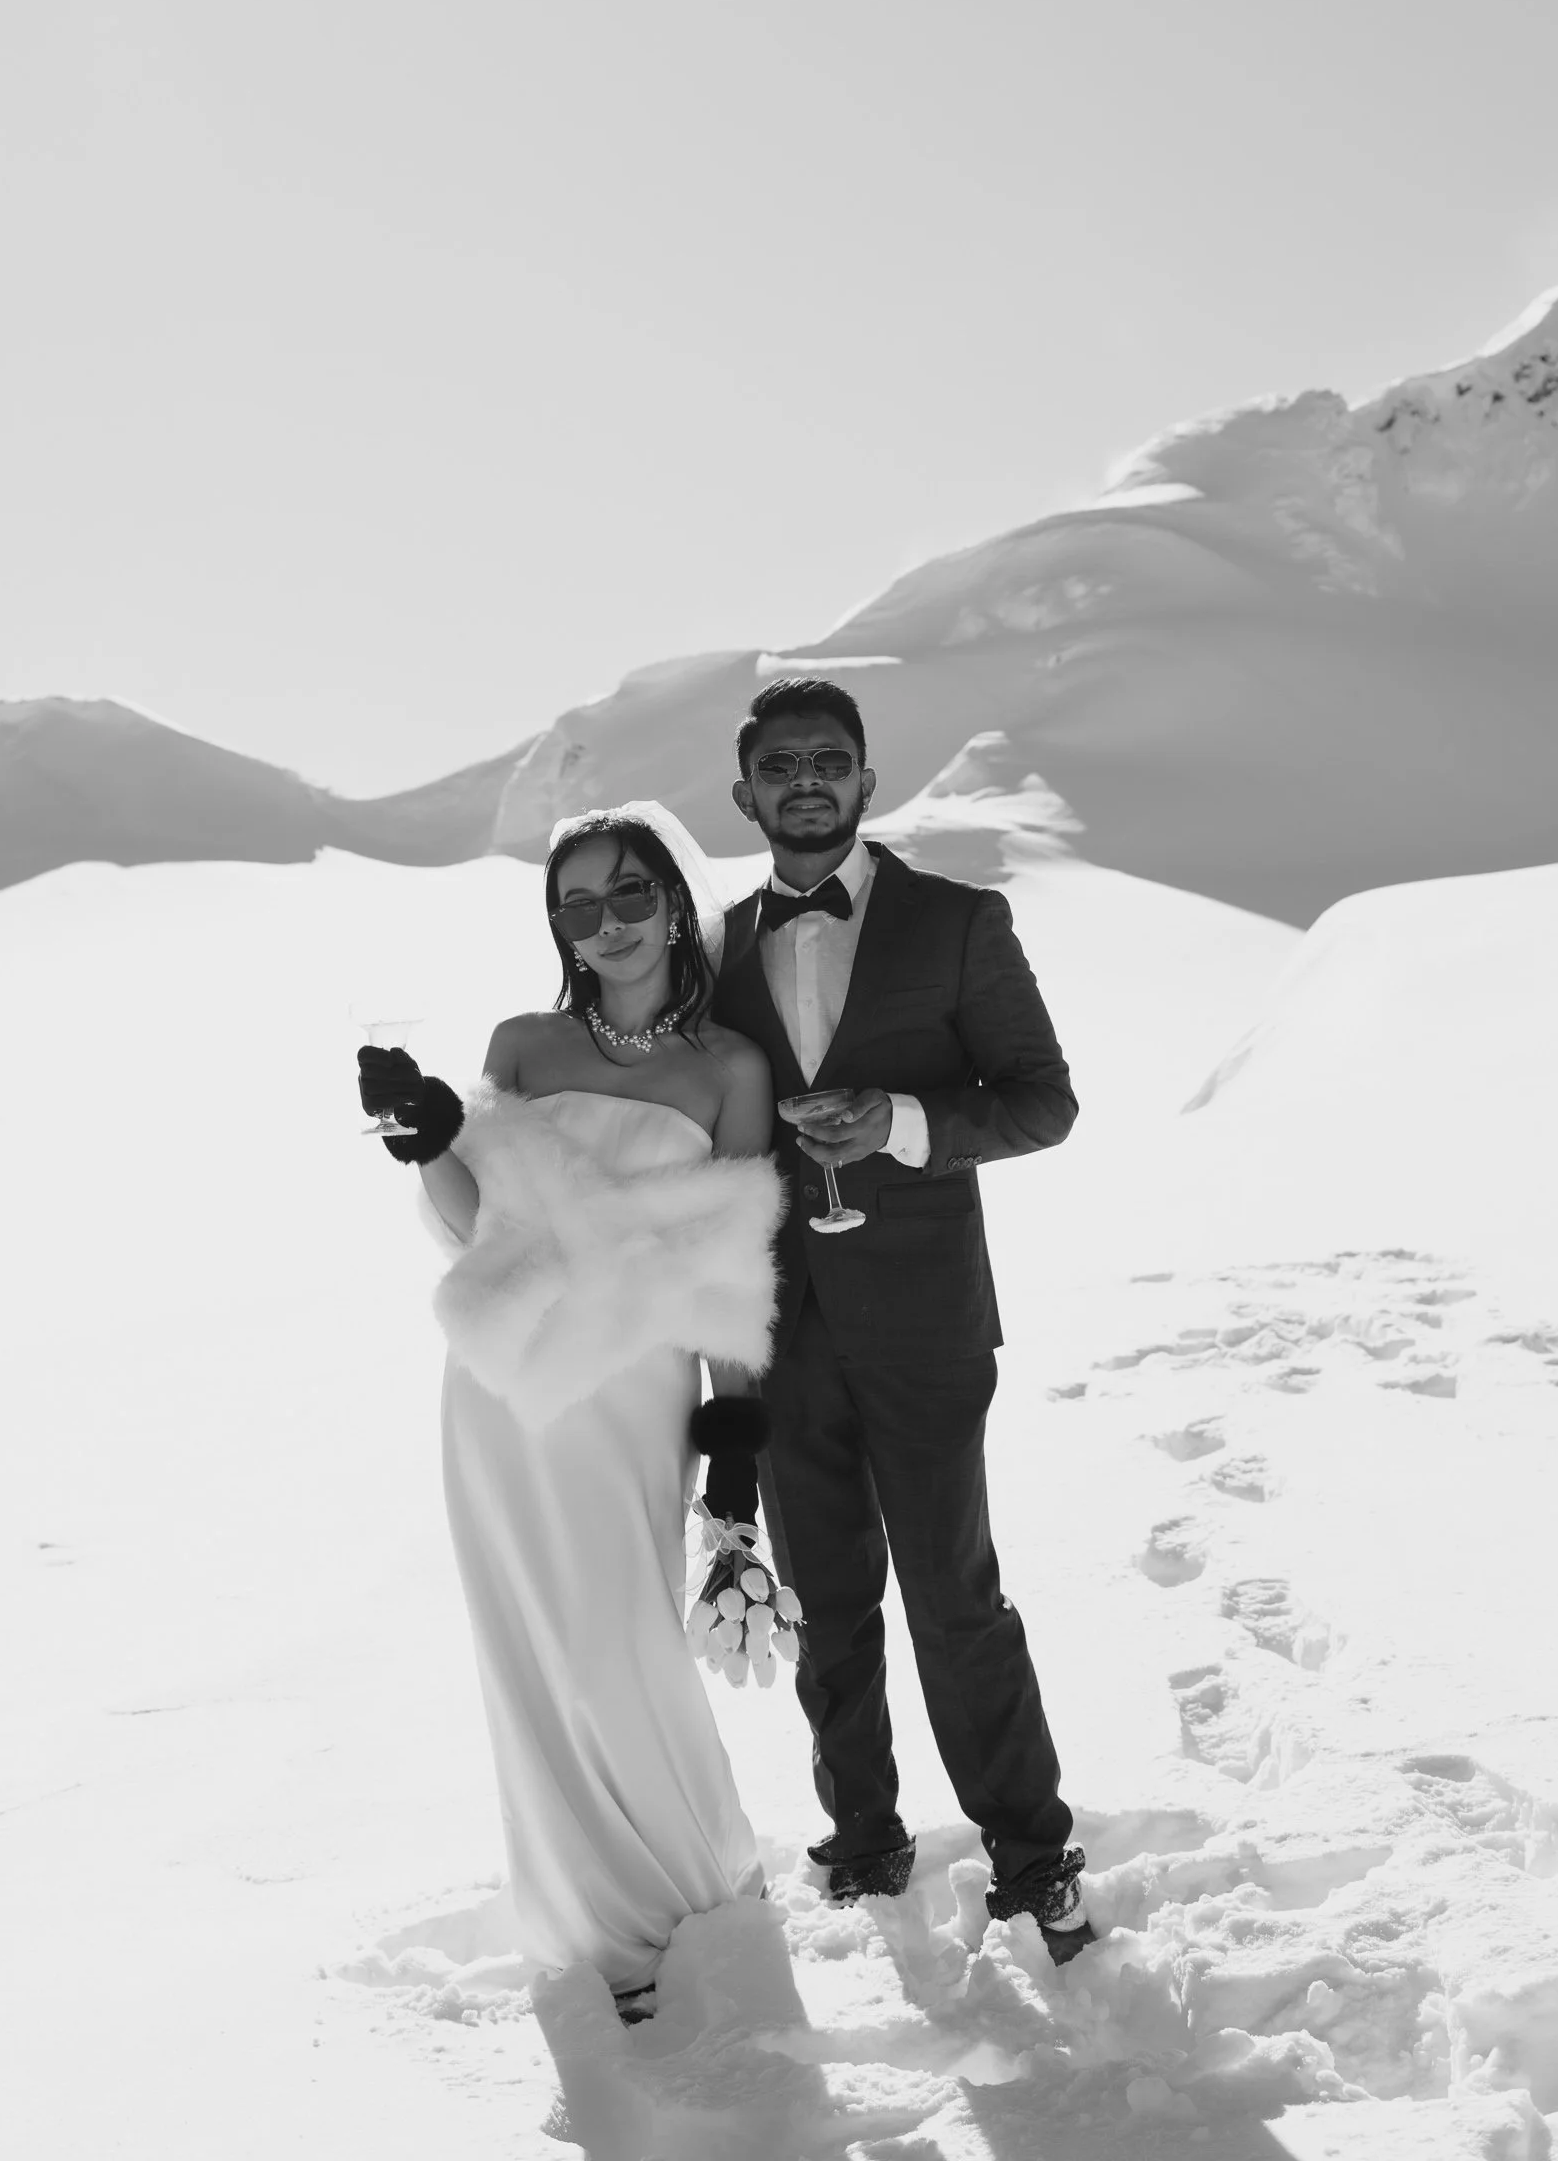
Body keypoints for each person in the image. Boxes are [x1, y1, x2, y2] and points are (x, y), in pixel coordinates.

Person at [356, 805, 784, 2015]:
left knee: (620, 1646)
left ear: (675, 902)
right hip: (500, 1395)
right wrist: (422, 1137)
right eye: (579, 905)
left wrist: (733, 1458)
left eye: (630, 894)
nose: (608, 924)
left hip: (634, 1399)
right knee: (532, 1652)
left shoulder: (730, 1069)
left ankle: (694, 1886)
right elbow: (476, 1226)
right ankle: (604, 1931)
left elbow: (731, 1272)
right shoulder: (524, 1043)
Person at [710, 677, 1094, 1964]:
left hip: (927, 1320)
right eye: (781, 766)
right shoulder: (715, 949)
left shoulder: (960, 921)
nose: (806, 781)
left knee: (952, 1593)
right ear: (746, 793)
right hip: (783, 1325)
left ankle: (1032, 1855)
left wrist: (903, 1123)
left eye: (829, 760)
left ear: (868, 781)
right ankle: (862, 1835)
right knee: (826, 1600)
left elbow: (1042, 1101)